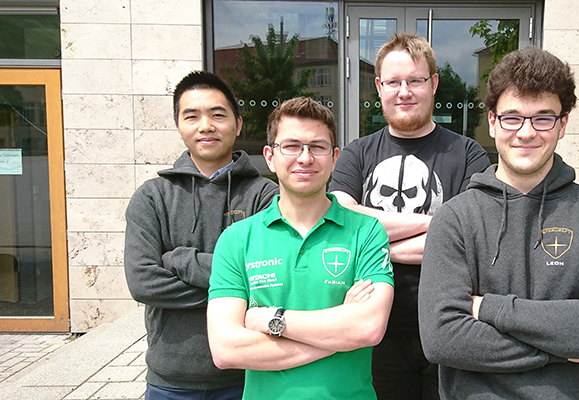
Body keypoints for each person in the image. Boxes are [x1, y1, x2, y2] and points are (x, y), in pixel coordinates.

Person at [417, 47, 579, 400]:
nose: (526, 132)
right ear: (493, 122)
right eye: (512, 117)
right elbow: (442, 339)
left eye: (543, 118)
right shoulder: (455, 219)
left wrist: (488, 308)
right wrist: (564, 348)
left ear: (562, 124)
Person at [329, 32, 490, 400]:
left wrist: (374, 246)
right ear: (379, 87)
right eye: (394, 82)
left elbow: (471, 238)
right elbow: (342, 220)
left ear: (433, 84)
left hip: (450, 326)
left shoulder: (469, 154)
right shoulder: (356, 153)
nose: (404, 92)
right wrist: (440, 225)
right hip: (376, 331)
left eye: (415, 80)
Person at [206, 97, 395, 400]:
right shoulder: (237, 239)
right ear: (270, 157)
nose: (305, 158)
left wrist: (272, 319)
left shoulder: (367, 232)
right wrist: (340, 331)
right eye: (291, 146)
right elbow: (226, 349)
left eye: (317, 147)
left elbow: (369, 328)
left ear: (334, 158)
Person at [124, 70, 278, 400]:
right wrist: (234, 287)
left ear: (238, 124)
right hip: (170, 379)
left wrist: (180, 260)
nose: (205, 126)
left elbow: (269, 279)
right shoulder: (153, 197)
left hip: (248, 375)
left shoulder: (266, 197)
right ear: (178, 126)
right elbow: (143, 282)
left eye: (217, 115)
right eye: (192, 116)